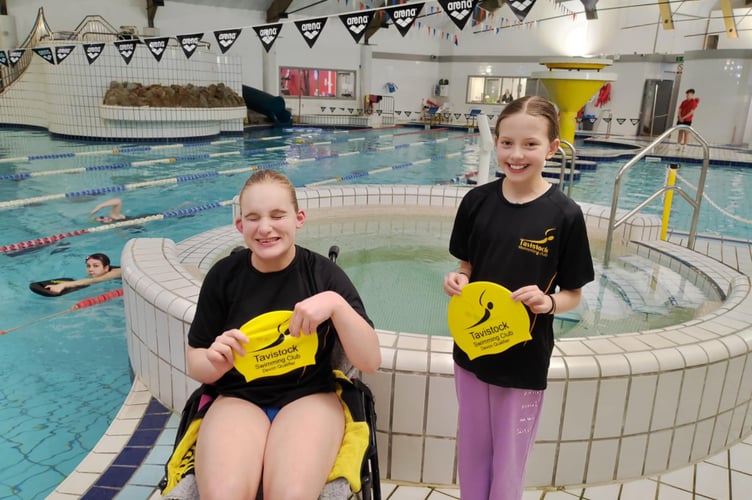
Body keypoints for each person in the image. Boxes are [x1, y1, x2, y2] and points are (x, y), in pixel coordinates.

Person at [186, 169, 381, 499]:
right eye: (253, 218)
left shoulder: (323, 275)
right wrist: (215, 361)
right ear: (240, 226)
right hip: (239, 398)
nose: (265, 228)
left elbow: (370, 361)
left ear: (298, 218)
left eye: (277, 215)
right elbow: (196, 363)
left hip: (309, 398)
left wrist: (335, 305)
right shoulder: (223, 278)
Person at [442, 95, 595, 500]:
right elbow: (468, 266)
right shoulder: (477, 202)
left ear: (552, 148)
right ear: (495, 141)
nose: (516, 154)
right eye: (507, 142)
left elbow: (574, 295)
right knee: (473, 449)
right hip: (473, 347)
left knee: (509, 456)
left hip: (524, 355)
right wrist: (458, 279)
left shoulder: (564, 215)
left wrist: (548, 304)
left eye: (530, 144)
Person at [44, 253, 122, 295]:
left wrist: (63, 285)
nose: (90, 269)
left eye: (96, 266)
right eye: (88, 266)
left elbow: (93, 280)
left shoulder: (115, 273)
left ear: (106, 268)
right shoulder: (103, 273)